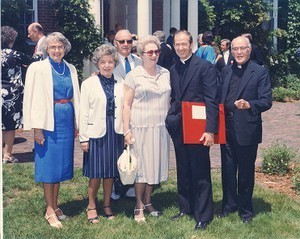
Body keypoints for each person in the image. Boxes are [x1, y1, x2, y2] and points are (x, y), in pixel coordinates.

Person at [23, 32, 80, 228]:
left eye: (60, 47)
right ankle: (49, 209)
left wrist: (76, 123)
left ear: (65, 48)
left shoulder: (70, 68)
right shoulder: (37, 68)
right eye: (52, 47)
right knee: (48, 165)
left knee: (61, 165)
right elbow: (31, 98)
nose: (56, 50)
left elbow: (76, 97)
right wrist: (36, 129)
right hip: (47, 121)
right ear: (46, 49)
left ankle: (55, 205)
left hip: (65, 119)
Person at [165, 30, 219, 230]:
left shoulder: (204, 67)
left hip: (198, 127)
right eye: (177, 44)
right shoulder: (173, 68)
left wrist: (210, 130)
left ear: (191, 45)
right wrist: (171, 118)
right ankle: (185, 207)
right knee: (183, 169)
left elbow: (212, 100)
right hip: (179, 126)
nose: (180, 47)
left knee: (200, 171)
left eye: (184, 44)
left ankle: (203, 214)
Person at [218, 36, 272, 223]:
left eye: (242, 48)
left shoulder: (259, 72)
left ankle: (245, 210)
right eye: (235, 49)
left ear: (249, 50)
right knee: (228, 170)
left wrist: (249, 104)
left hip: (247, 130)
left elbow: (266, 101)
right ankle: (228, 206)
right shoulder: (225, 71)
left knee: (246, 173)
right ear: (231, 51)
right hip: (226, 129)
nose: (239, 52)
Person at [123, 35, 171, 223]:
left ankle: (149, 200)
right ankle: (138, 205)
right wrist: (127, 130)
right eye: (149, 52)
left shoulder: (165, 73)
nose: (154, 55)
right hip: (140, 127)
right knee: (141, 168)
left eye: (156, 51)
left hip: (160, 127)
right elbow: (126, 104)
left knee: (154, 167)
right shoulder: (133, 75)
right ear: (141, 54)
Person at [79, 44, 124, 224]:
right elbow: (83, 112)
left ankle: (106, 205)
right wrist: (84, 138)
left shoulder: (121, 81)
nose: (107, 65)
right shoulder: (89, 83)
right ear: (97, 63)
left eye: (110, 62)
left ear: (115, 63)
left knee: (110, 172)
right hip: (96, 132)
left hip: (115, 131)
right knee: (96, 172)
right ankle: (91, 206)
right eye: (103, 62)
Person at [111, 29, 142, 200]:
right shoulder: (109, 61)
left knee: (133, 148)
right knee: (117, 149)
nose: (125, 45)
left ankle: (131, 185)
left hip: (134, 112)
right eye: (122, 41)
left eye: (129, 41)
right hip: (115, 113)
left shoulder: (139, 62)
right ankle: (117, 187)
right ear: (115, 43)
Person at [1, 26, 34, 163]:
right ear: (11, 39)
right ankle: (7, 154)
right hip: (10, 95)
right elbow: (33, 61)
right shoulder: (14, 55)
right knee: (9, 126)